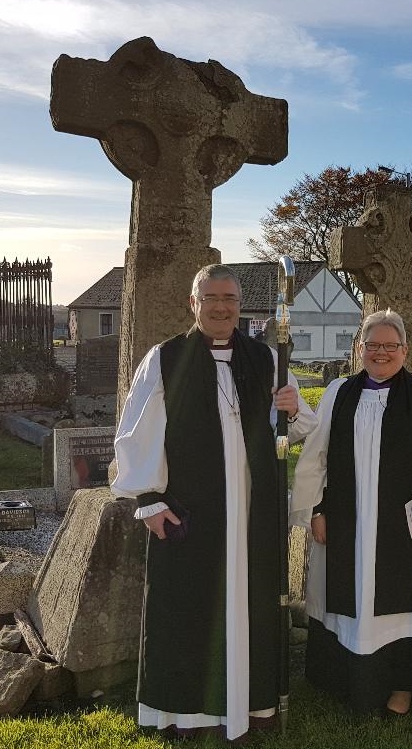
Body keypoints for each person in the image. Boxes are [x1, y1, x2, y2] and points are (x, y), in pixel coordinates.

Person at [110, 264, 317, 743]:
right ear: (194, 303)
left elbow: (300, 428)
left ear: (239, 305)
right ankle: (186, 714)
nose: (221, 307)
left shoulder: (265, 359)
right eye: (211, 298)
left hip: (252, 513)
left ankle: (253, 704)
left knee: (253, 604)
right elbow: (137, 433)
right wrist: (150, 500)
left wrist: (292, 406)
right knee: (187, 607)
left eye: (229, 299)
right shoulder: (166, 359)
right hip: (190, 510)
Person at [290, 309, 412, 716]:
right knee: (352, 600)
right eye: (372, 345)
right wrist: (318, 510)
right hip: (346, 525)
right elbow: (315, 458)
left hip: (408, 530)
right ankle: (347, 679)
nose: (380, 353)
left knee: (408, 603)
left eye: (389, 346)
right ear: (359, 348)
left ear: (405, 350)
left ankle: (402, 684)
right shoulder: (339, 392)